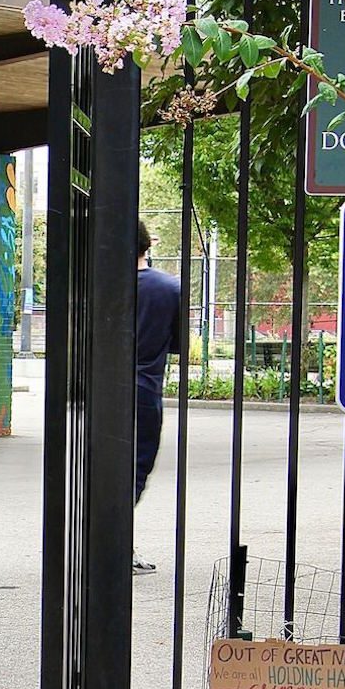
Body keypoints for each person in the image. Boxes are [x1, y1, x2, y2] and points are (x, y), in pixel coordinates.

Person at [133, 219, 182, 574]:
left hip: (100, 394)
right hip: (146, 392)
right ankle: (118, 543)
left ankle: (97, 542)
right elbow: (178, 344)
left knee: (96, 469)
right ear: (147, 245)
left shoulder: (99, 287)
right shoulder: (170, 288)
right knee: (135, 470)